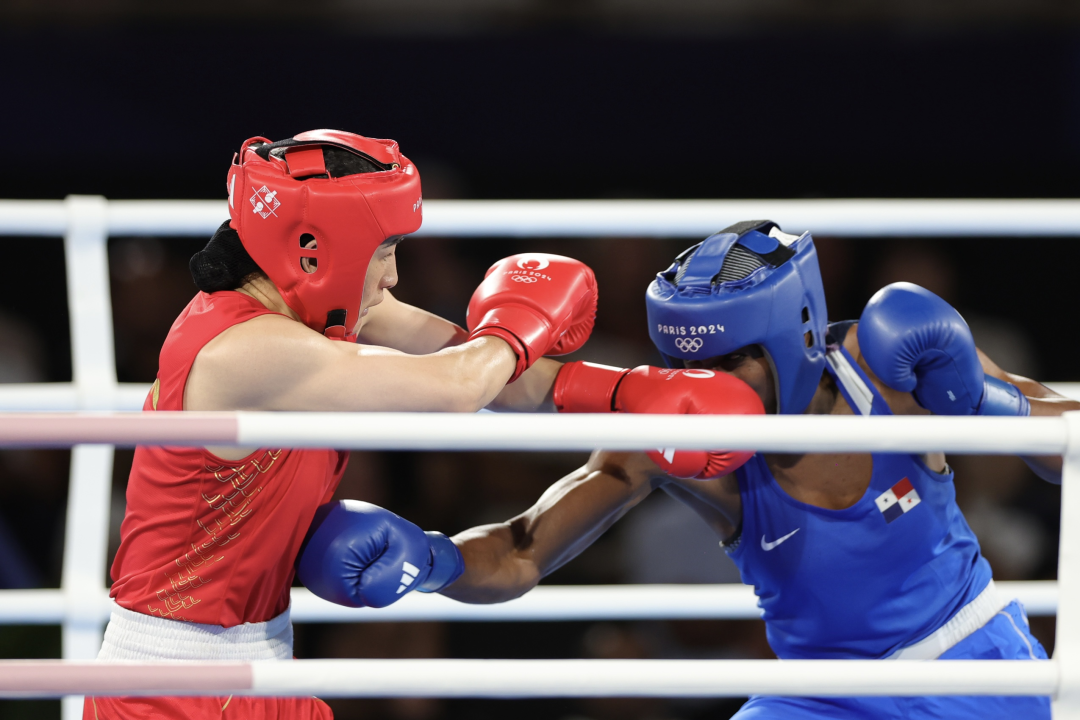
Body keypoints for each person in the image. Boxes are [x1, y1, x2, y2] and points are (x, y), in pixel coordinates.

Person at [437, 220, 1074, 719]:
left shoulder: (884, 368)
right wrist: (430, 559)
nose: (706, 390)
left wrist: (986, 403)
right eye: (689, 367)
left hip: (972, 659)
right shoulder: (674, 434)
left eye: (730, 363)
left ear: (796, 337)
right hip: (820, 699)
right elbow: (520, 551)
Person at [86, 128, 603, 720]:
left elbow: (497, 377)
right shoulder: (245, 348)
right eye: (384, 249)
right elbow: (458, 386)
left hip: (261, 659)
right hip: (168, 685)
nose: (392, 276)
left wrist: (642, 393)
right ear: (313, 248)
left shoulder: (313, 312)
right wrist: (519, 324)